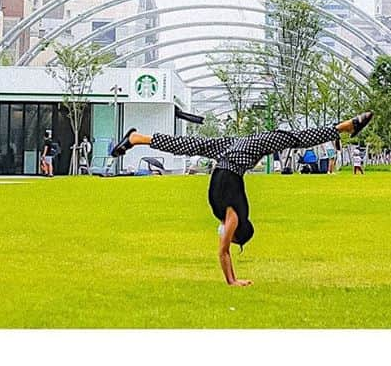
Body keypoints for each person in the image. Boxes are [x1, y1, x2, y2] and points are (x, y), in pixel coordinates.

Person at [111, 111, 374, 285]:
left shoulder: (230, 211)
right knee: (292, 139)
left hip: (232, 157)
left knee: (191, 145)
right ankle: (345, 126)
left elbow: (224, 247)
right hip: (236, 160)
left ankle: (138, 138)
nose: (225, 234)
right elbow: (223, 252)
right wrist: (232, 281)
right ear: (239, 232)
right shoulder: (233, 217)